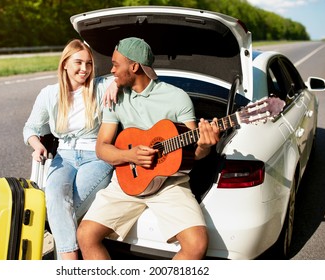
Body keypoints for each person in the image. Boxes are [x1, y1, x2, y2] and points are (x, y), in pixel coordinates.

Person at [77, 37, 221, 260]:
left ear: (134, 67)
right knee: (86, 235)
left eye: (116, 64)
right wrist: (129, 155)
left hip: (169, 183)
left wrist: (204, 146)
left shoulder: (176, 98)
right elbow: (102, 148)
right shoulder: (116, 98)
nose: (111, 70)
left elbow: (196, 153)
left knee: (197, 243)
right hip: (127, 182)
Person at [23, 39, 115, 260]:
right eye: (78, 62)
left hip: (96, 156)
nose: (84, 69)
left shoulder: (101, 86)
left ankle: (66, 263)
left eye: (89, 64)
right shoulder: (49, 94)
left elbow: (128, 74)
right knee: (54, 196)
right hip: (63, 156)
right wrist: (37, 147)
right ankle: (71, 260)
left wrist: (116, 83)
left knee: (65, 207)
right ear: (64, 63)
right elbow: (30, 128)